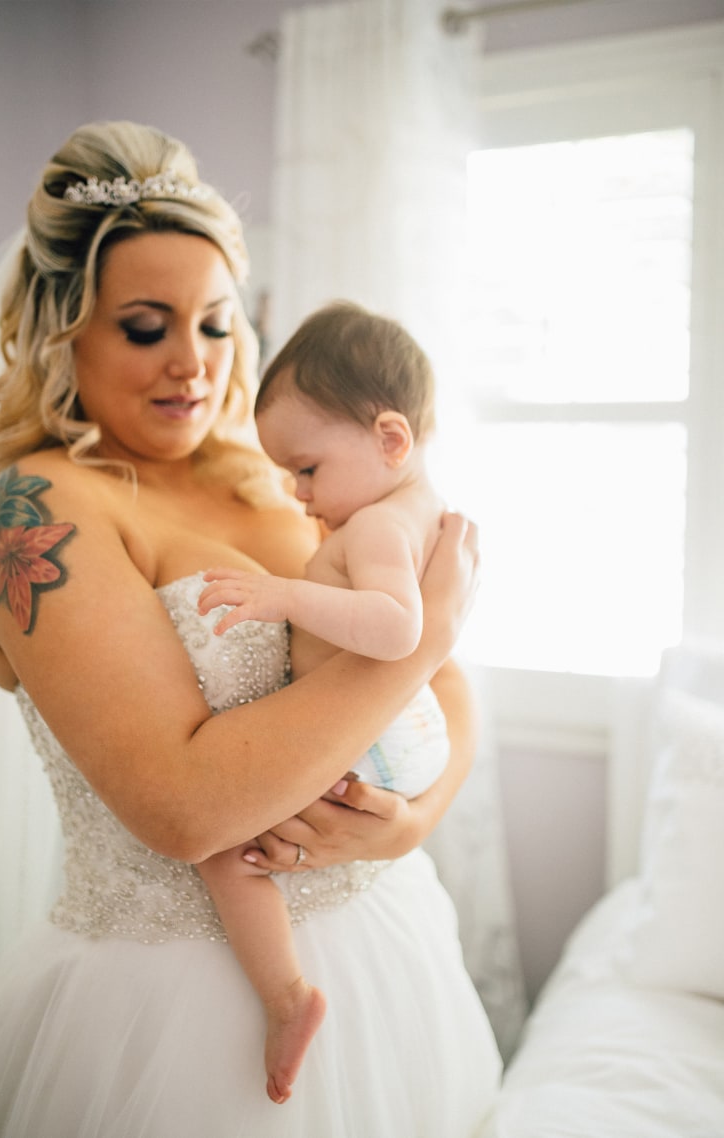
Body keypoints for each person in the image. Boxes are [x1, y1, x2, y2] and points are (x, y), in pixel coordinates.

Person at [0, 120, 501, 1138]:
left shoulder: (282, 473)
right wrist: (420, 641)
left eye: (214, 325)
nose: (191, 366)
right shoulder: (38, 507)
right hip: (173, 1011)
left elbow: (448, 689)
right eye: (144, 327)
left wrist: (417, 817)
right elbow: (180, 809)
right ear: (63, 332)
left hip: (385, 943)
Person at [197, 301, 453, 1104]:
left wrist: (286, 596)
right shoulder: (415, 508)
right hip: (411, 733)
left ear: (389, 439)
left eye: (307, 469)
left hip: (373, 741)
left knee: (213, 839)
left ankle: (287, 996)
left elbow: (398, 628)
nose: (300, 494)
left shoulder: (376, 524)